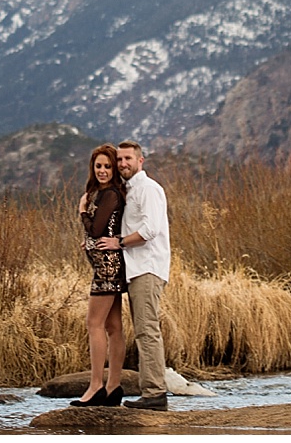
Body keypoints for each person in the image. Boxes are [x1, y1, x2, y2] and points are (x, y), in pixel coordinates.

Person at [98, 139, 171, 410]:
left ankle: (155, 395)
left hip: (148, 268)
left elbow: (150, 230)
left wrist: (119, 242)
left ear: (140, 161)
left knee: (147, 330)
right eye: (120, 160)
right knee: (143, 330)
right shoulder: (128, 190)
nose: (123, 164)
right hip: (136, 270)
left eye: (128, 159)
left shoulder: (149, 189)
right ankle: (153, 392)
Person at [71, 144, 128, 407]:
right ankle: (114, 387)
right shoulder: (104, 193)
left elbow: (96, 229)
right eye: (99, 166)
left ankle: (96, 386)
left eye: (107, 166)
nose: (103, 171)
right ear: (92, 168)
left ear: (114, 169)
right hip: (107, 264)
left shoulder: (111, 195)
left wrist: (82, 211)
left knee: (93, 323)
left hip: (107, 267)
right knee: (113, 327)